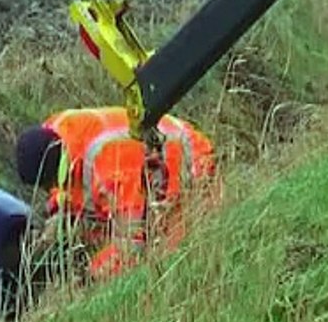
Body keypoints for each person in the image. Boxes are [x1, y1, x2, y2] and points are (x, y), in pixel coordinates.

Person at [14, 106, 219, 282]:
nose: (48, 190)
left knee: (171, 260)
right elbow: (67, 188)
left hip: (195, 173)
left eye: (47, 184)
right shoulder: (55, 132)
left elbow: (132, 243)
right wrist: (58, 215)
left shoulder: (111, 168)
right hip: (138, 167)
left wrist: (90, 276)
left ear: (59, 169)